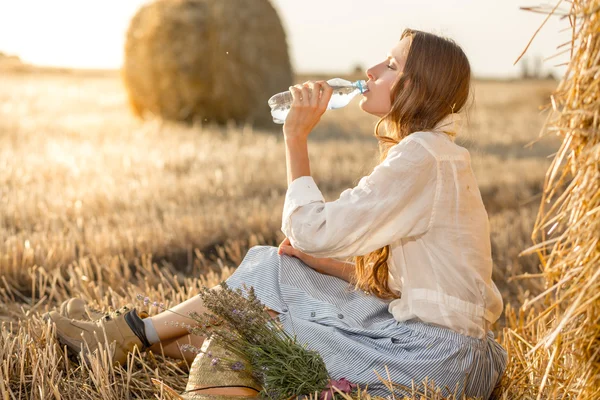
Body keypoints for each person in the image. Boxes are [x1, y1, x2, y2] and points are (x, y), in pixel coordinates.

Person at [44, 28, 508, 399]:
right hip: (455, 357)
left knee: (260, 311)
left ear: (418, 87)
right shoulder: (437, 155)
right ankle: (129, 341)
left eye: (391, 65)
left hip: (430, 361)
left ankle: (124, 335)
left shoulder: (422, 155)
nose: (369, 70)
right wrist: (314, 263)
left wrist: (296, 138)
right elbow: (409, 284)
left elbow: (310, 231)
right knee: (278, 267)